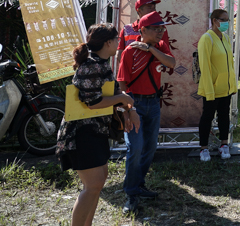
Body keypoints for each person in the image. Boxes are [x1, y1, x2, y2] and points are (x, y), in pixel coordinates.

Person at [56, 24, 136, 226]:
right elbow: (93, 102)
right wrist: (124, 100)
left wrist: (127, 109)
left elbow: (114, 95)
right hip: (81, 133)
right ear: (108, 42)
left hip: (95, 131)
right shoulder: (91, 65)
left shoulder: (102, 63)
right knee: (92, 185)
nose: (119, 42)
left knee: (98, 182)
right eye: (117, 39)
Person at [117, 11, 176, 214]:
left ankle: (139, 184)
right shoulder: (129, 52)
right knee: (134, 147)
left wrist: (150, 48)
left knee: (150, 148)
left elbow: (171, 63)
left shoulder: (160, 46)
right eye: (156, 28)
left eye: (162, 28)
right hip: (135, 104)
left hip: (153, 104)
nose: (161, 31)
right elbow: (122, 84)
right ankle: (131, 193)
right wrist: (127, 110)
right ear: (143, 30)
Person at [197, 9, 238, 162]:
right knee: (207, 117)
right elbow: (205, 67)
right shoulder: (207, 39)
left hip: (225, 88)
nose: (226, 23)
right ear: (214, 20)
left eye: (228, 19)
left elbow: (230, 64)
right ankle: (203, 148)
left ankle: (224, 145)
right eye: (223, 19)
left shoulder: (226, 38)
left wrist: (232, 86)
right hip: (211, 89)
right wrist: (209, 91)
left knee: (224, 117)